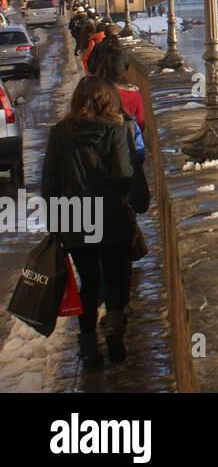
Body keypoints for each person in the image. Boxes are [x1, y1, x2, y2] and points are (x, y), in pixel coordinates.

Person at [41, 77, 137, 367]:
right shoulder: (115, 129)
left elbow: (50, 184)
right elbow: (124, 175)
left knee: (90, 282)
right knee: (115, 277)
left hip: (74, 216)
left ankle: (87, 346)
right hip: (110, 216)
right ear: (108, 100)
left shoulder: (59, 133)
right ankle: (113, 329)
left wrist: (58, 225)